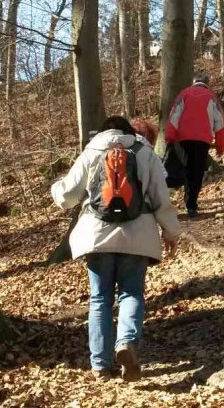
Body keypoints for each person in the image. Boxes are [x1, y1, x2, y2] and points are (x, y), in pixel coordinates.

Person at [51, 116, 180, 382]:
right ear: (129, 132)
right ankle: (125, 343)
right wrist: (171, 233)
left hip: (96, 236)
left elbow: (66, 198)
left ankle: (99, 365)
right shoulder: (145, 152)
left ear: (103, 130)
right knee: (131, 293)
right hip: (138, 236)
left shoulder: (92, 150)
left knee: (100, 299)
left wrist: (54, 187)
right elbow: (161, 199)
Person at [165, 73, 224, 217]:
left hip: (183, 139)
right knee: (197, 171)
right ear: (207, 83)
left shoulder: (184, 94)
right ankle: (191, 205)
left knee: (184, 167)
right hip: (202, 140)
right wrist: (220, 146)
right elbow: (220, 123)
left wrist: (170, 136)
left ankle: (176, 200)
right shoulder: (212, 97)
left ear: (194, 82)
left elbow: (174, 116)